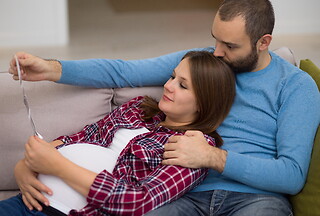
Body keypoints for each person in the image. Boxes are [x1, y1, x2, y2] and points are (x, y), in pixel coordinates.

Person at [8, 0, 320, 216]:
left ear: (264, 42)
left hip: (257, 200)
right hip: (184, 192)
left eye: (229, 45)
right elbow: (125, 71)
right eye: (214, 39)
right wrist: (52, 68)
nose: (217, 53)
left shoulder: (295, 86)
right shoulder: (204, 63)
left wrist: (214, 159)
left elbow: (291, 175)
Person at [1, 51, 235, 216]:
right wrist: (24, 166)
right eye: (173, 76)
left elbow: (136, 201)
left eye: (183, 85)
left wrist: (56, 166)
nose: (168, 85)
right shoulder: (138, 108)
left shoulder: (194, 148)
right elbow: (81, 137)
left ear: (203, 104)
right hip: (28, 201)